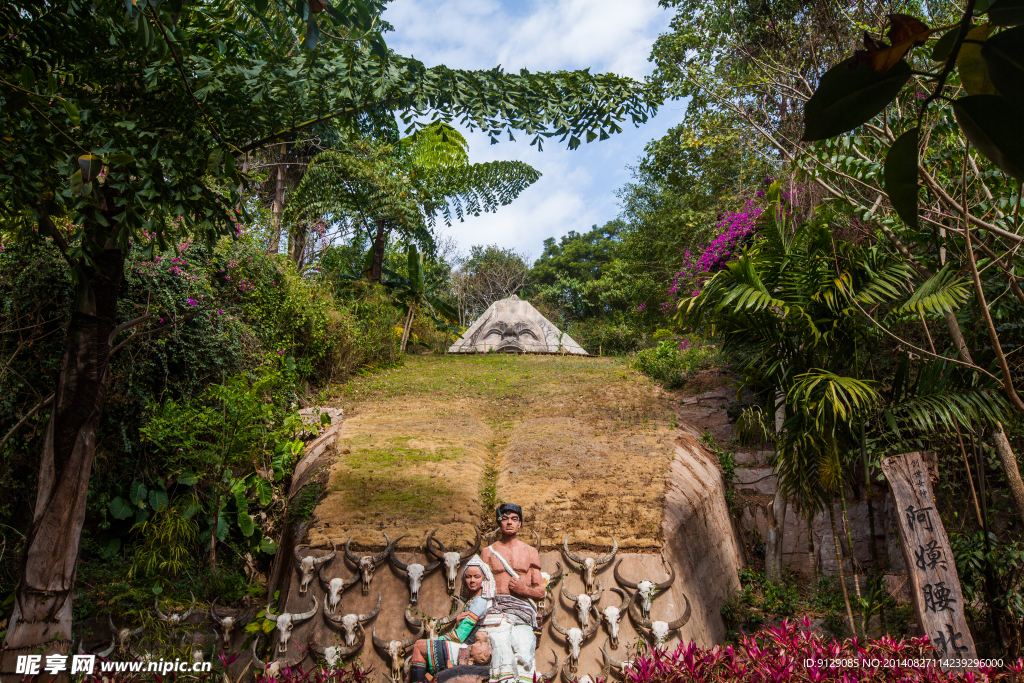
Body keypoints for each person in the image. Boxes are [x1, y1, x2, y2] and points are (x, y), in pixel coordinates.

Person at [478, 503, 545, 683]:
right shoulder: (487, 553)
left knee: (524, 648)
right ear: (499, 523)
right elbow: (478, 588)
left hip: (522, 612)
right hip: (496, 611)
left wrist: (524, 590)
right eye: (504, 518)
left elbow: (541, 592)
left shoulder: (530, 552)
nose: (509, 523)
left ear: (520, 524)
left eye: (514, 519)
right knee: (500, 647)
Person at [408, 557, 493, 683]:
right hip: (462, 646)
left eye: (476, 576)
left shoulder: (479, 602)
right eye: (468, 577)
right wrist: (458, 622)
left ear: (484, 579)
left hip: (466, 648)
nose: (472, 581)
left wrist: (436, 640)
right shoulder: (470, 603)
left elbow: (459, 636)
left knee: (420, 646)